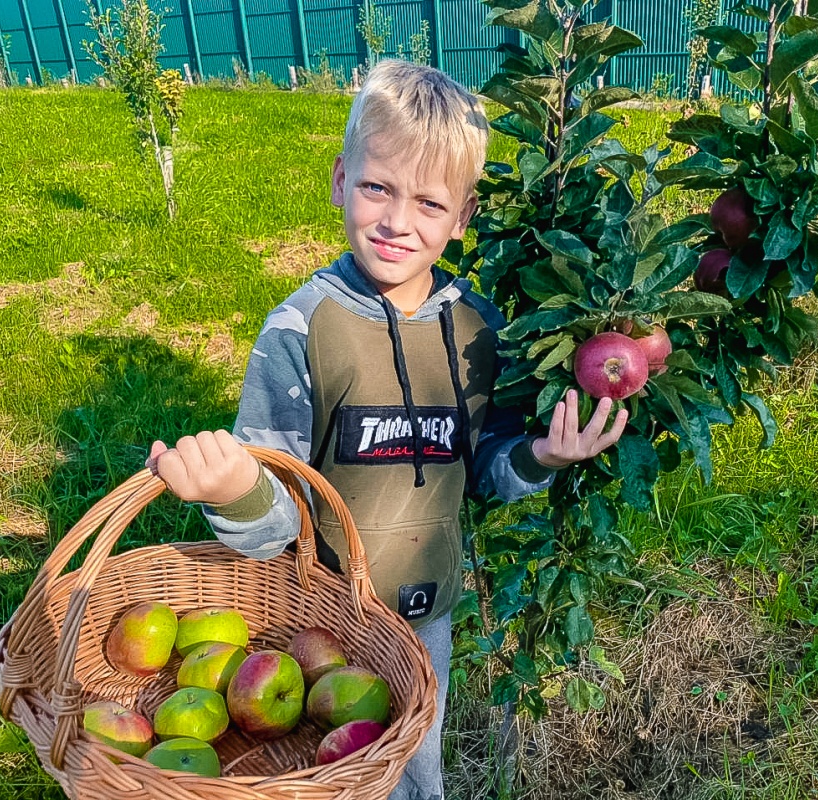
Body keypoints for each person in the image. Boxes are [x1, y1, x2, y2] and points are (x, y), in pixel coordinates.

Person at [148, 59, 627, 800]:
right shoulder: (302, 330)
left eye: (429, 203)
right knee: (328, 776)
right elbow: (274, 522)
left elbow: (487, 474)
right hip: (320, 626)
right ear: (341, 180)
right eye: (377, 188)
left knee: (415, 769)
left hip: (427, 614)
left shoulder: (479, 329)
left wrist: (537, 456)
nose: (398, 221)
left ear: (463, 216)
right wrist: (237, 491)